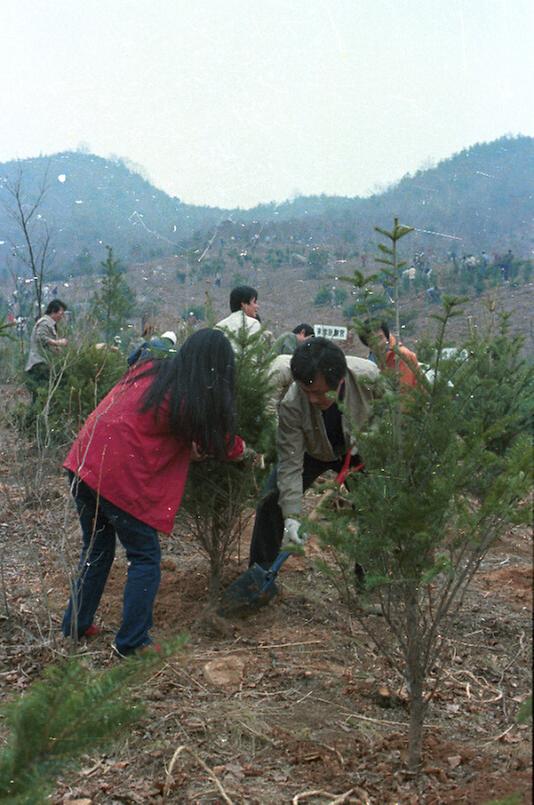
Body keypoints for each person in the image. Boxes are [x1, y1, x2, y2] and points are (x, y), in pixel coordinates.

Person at [62, 329, 244, 657]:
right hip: (116, 474)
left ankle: (75, 624)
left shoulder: (152, 370)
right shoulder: (187, 394)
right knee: (145, 556)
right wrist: (246, 451)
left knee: (97, 548)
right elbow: (215, 443)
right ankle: (131, 642)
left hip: (84, 461)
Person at [249, 337, 379, 569]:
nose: (312, 399)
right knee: (271, 500)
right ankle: (260, 572)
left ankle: (368, 580)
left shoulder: (368, 378)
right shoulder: (292, 404)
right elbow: (290, 460)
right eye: (306, 390)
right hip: (313, 451)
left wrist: (375, 434)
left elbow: (396, 407)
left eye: (319, 392)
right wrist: (292, 516)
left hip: (360, 450)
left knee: (374, 507)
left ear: (339, 381)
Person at [25, 299, 68, 397]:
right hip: (39, 363)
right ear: (53, 311)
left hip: (43, 362)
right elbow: (41, 337)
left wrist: (55, 348)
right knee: (43, 393)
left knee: (42, 395)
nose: (62, 316)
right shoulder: (45, 322)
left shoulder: (50, 324)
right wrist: (58, 342)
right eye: (61, 313)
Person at [359, 321, 419, 389]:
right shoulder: (370, 360)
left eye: (380, 338)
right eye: (372, 339)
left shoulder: (401, 355)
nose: (378, 344)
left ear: (386, 336)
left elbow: (406, 390)